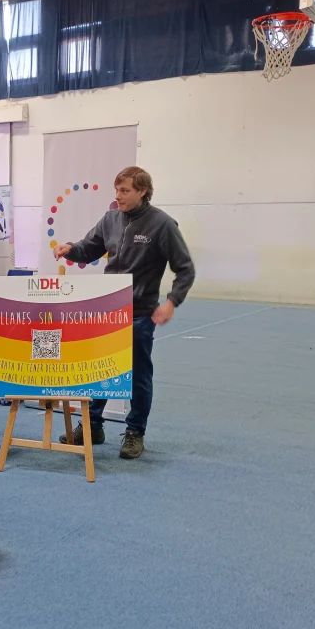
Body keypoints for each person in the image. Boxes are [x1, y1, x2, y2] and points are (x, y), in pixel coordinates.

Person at [53, 166, 195, 460]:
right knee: (100, 369)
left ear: (143, 191)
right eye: (116, 190)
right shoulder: (110, 218)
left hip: (140, 313)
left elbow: (185, 268)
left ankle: (134, 433)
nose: (118, 196)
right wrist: (70, 248)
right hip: (108, 310)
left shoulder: (163, 224)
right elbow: (88, 248)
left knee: (138, 375)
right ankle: (91, 426)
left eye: (125, 191)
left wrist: (171, 301)